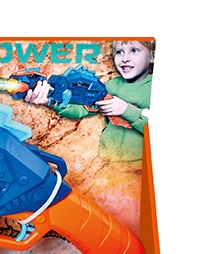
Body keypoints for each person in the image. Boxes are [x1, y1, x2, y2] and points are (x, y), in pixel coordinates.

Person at [24, 41, 155, 164]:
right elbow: (81, 110)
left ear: (152, 56)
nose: (125, 58)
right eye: (119, 52)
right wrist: (50, 102)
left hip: (140, 165)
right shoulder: (111, 85)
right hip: (106, 161)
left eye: (134, 50)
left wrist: (126, 110)